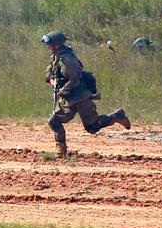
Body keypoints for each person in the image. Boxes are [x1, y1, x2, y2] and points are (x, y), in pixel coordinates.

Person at [43, 31, 130, 159]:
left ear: (57, 45)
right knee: (54, 121)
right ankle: (61, 151)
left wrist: (61, 91)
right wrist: (52, 80)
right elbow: (49, 71)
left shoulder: (68, 60)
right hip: (69, 99)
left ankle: (117, 116)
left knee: (92, 127)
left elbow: (75, 79)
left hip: (80, 97)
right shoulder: (57, 57)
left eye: (50, 44)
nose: (48, 47)